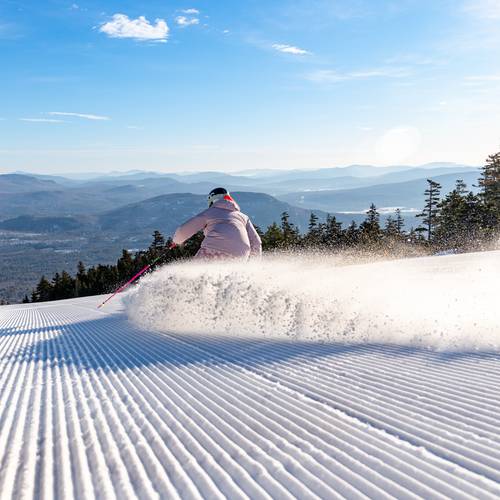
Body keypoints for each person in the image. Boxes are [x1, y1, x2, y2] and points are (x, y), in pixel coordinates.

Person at [172, 187, 262, 260]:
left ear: (212, 201)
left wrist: (176, 241)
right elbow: (256, 241)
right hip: (240, 255)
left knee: (193, 273)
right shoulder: (243, 217)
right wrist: (254, 263)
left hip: (214, 249)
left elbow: (183, 230)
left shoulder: (210, 213)